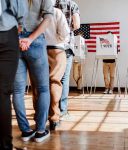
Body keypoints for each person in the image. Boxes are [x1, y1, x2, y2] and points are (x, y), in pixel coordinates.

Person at [13, 0, 53, 143]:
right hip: (35, 41)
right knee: (43, 89)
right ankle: (40, 131)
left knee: (18, 91)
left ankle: (25, 131)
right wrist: (29, 39)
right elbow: (48, 19)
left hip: (15, 41)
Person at [0, 0, 27, 149]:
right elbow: (18, 5)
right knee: (2, 93)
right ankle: (4, 146)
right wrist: (20, 22)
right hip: (5, 31)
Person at [45, 0, 70, 130]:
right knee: (55, 82)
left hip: (40, 50)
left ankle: (40, 116)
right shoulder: (57, 12)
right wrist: (59, 39)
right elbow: (65, 33)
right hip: (57, 50)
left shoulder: (35, 13)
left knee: (40, 84)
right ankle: (54, 118)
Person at [55, 0, 80, 120]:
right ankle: (63, 110)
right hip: (67, 45)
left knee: (53, 78)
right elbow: (77, 25)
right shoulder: (73, 5)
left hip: (52, 45)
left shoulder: (51, 4)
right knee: (64, 78)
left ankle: (52, 110)